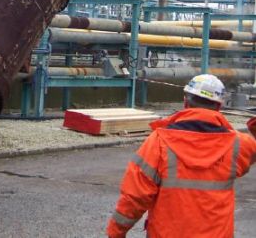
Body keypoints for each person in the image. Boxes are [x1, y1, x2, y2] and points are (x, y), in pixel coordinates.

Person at [106, 74, 256, 238]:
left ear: (186, 102)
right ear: (219, 107)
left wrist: (116, 232)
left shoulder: (158, 142)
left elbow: (134, 197)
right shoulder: (237, 144)